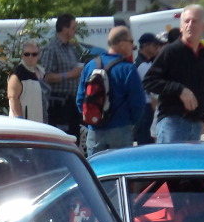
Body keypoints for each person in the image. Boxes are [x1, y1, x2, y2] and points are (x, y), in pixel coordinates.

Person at [142, 4, 204, 144]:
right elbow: (149, 81)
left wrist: (203, 118)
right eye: (186, 21)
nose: (190, 25)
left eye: (195, 21)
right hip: (172, 122)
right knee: (170, 165)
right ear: (181, 27)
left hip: (195, 124)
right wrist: (179, 90)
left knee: (190, 166)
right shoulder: (170, 51)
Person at [76, 26, 144, 156]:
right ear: (122, 43)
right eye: (131, 42)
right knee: (120, 167)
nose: (132, 45)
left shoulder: (90, 65)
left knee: (97, 171)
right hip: (121, 128)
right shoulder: (128, 69)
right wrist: (130, 122)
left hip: (94, 130)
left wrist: (92, 118)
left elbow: (80, 99)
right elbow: (137, 103)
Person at [40, 13, 84, 140]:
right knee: (63, 139)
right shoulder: (51, 48)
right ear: (65, 29)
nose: (75, 31)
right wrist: (70, 74)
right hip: (59, 104)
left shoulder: (71, 48)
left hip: (73, 102)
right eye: (73, 27)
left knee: (74, 138)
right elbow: (46, 77)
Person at [133, 32, 162, 144]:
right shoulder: (143, 66)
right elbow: (153, 92)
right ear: (145, 46)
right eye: (154, 45)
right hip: (147, 108)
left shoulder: (144, 63)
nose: (156, 48)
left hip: (145, 108)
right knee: (147, 143)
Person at [7, 40, 46, 121]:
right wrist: (19, 118)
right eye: (27, 54)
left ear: (38, 56)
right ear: (22, 55)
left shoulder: (42, 72)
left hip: (40, 121)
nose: (30, 57)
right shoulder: (17, 74)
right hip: (24, 124)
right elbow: (13, 97)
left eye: (34, 54)